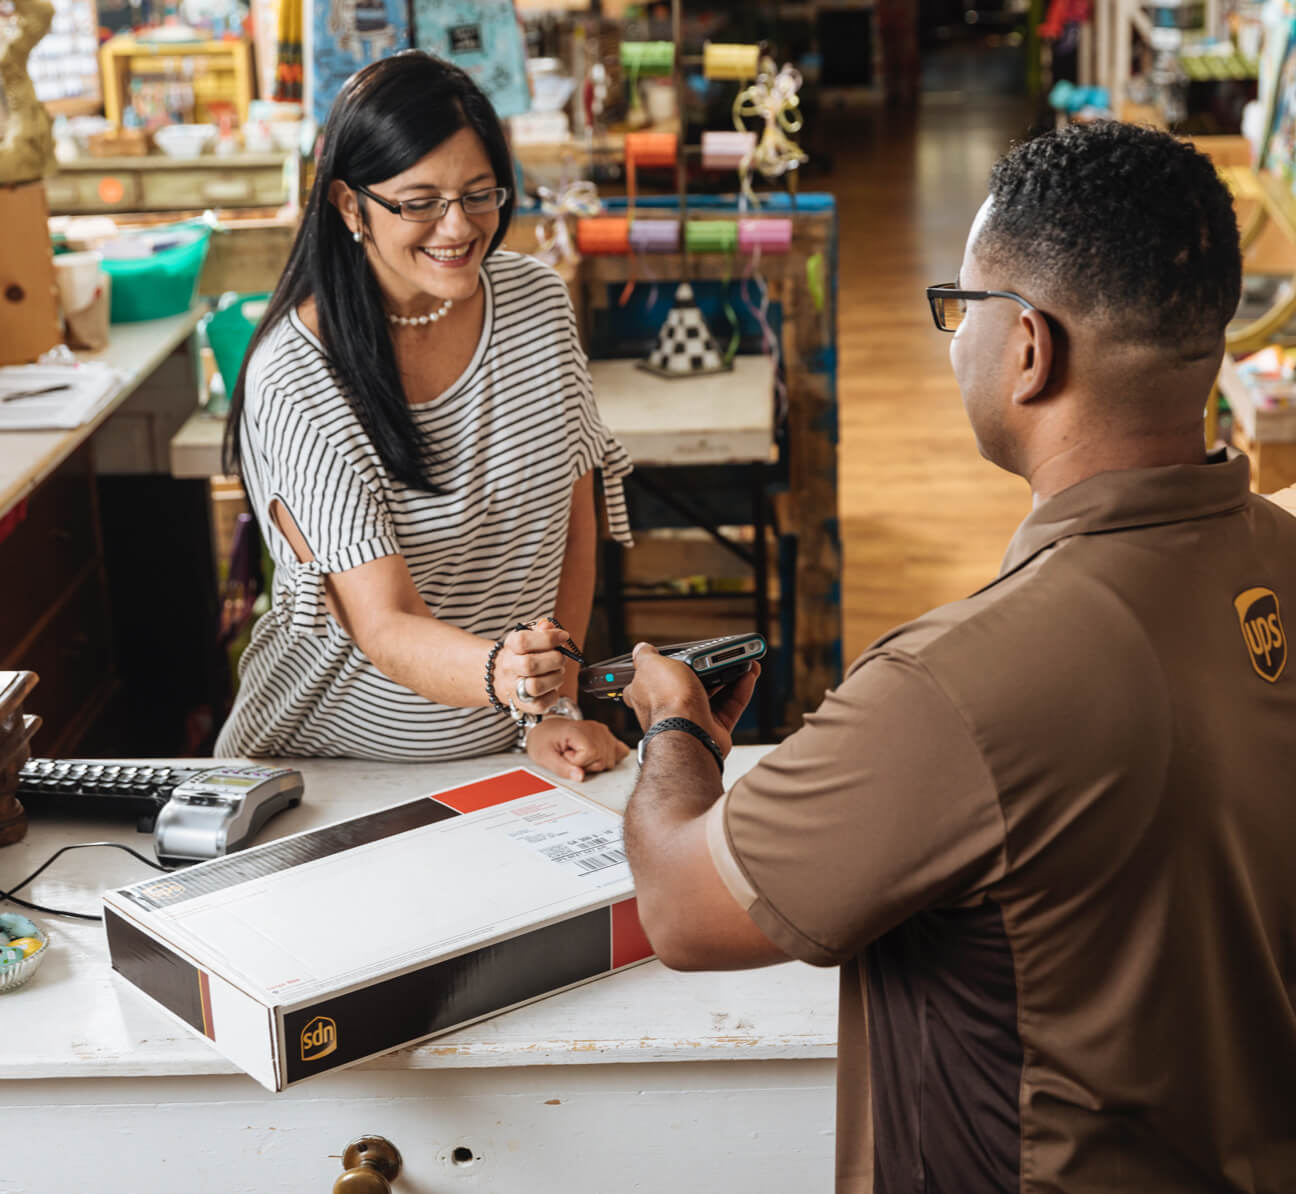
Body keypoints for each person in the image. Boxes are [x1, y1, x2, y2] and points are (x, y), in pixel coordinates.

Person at [620, 122, 1296, 1193]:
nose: (952, 341)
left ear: (1030, 348)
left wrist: (674, 729)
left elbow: (683, 909)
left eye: (960, 310)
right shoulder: (1278, 554)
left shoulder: (958, 687)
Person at [215, 52, 631, 781]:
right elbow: (383, 623)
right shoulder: (297, 376)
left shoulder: (536, 304)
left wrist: (550, 706)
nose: (457, 227)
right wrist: (510, 677)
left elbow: (574, 516)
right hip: (325, 769)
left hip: (504, 750)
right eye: (419, 201)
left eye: (480, 194)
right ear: (351, 205)